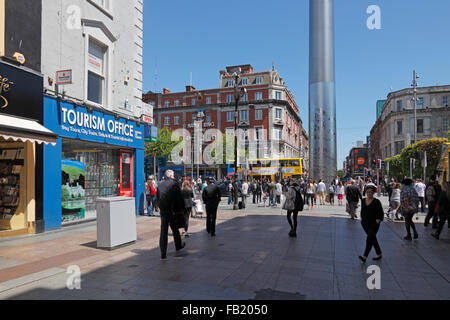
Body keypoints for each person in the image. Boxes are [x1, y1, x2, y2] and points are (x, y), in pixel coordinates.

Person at [156, 170, 185, 260]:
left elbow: (157, 198)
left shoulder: (160, 184)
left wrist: (161, 208)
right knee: (175, 229)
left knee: (163, 231)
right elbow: (179, 199)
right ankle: (178, 245)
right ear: (172, 175)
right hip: (173, 211)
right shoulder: (174, 184)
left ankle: (163, 253)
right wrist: (180, 210)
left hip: (164, 211)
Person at [358, 185, 384, 263]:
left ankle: (364, 256)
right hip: (365, 223)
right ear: (365, 192)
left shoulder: (376, 201)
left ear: (373, 193)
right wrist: (361, 218)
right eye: (367, 192)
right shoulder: (363, 200)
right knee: (372, 238)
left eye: (370, 192)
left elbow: (381, 212)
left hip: (374, 223)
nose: (369, 194)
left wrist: (378, 220)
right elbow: (362, 210)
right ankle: (379, 253)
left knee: (369, 238)